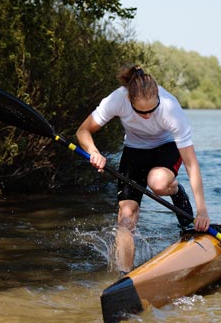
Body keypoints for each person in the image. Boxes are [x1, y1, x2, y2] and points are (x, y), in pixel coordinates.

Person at [76, 64, 210, 274]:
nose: (147, 116)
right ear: (129, 100)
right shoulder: (117, 99)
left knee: (157, 183)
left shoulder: (170, 108)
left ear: (158, 97)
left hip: (166, 147)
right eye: (141, 112)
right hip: (134, 150)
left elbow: (192, 164)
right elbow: (83, 131)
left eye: (152, 111)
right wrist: (94, 152)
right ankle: (125, 276)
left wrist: (202, 210)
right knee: (126, 215)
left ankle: (175, 190)